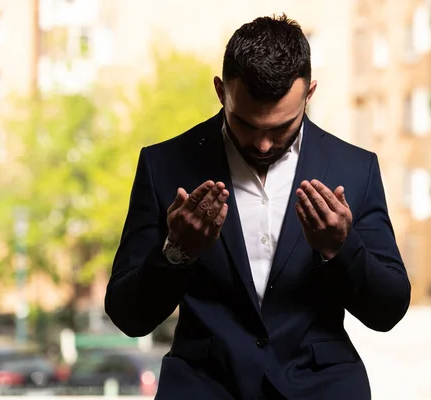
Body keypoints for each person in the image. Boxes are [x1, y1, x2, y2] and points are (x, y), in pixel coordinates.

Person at [105, 14, 411, 400]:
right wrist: (177, 252)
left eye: (282, 127)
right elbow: (129, 317)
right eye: (247, 125)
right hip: (205, 388)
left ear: (309, 94)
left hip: (321, 388)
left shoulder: (355, 168)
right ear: (221, 91)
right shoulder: (164, 165)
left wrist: (342, 247)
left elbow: (388, 311)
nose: (264, 145)